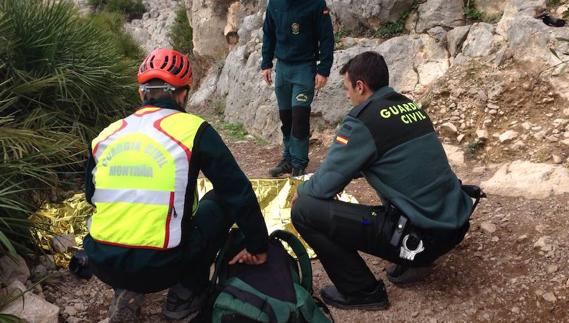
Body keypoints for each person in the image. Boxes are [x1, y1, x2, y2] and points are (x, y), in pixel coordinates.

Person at [83, 48, 268, 322]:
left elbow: (91, 196)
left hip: (103, 260)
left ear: (141, 93)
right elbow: (236, 191)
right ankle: (184, 297)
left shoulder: (107, 134)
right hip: (163, 266)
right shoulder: (194, 129)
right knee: (220, 200)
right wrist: (258, 245)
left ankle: (127, 287)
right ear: (183, 94)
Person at [291, 51, 477, 310]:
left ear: (360, 86)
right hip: (454, 226)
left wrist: (303, 189)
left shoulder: (361, 121)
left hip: (423, 238)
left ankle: (362, 292)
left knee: (304, 210)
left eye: (347, 89)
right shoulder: (410, 107)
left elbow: (323, 187)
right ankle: (415, 260)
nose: (347, 97)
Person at [261, 0, 334, 177]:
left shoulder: (316, 4)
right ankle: (288, 160)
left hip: (304, 67)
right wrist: (266, 63)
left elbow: (326, 37)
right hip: (283, 68)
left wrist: (323, 69)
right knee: (286, 117)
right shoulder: (274, 4)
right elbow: (268, 34)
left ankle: (299, 164)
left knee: (299, 116)